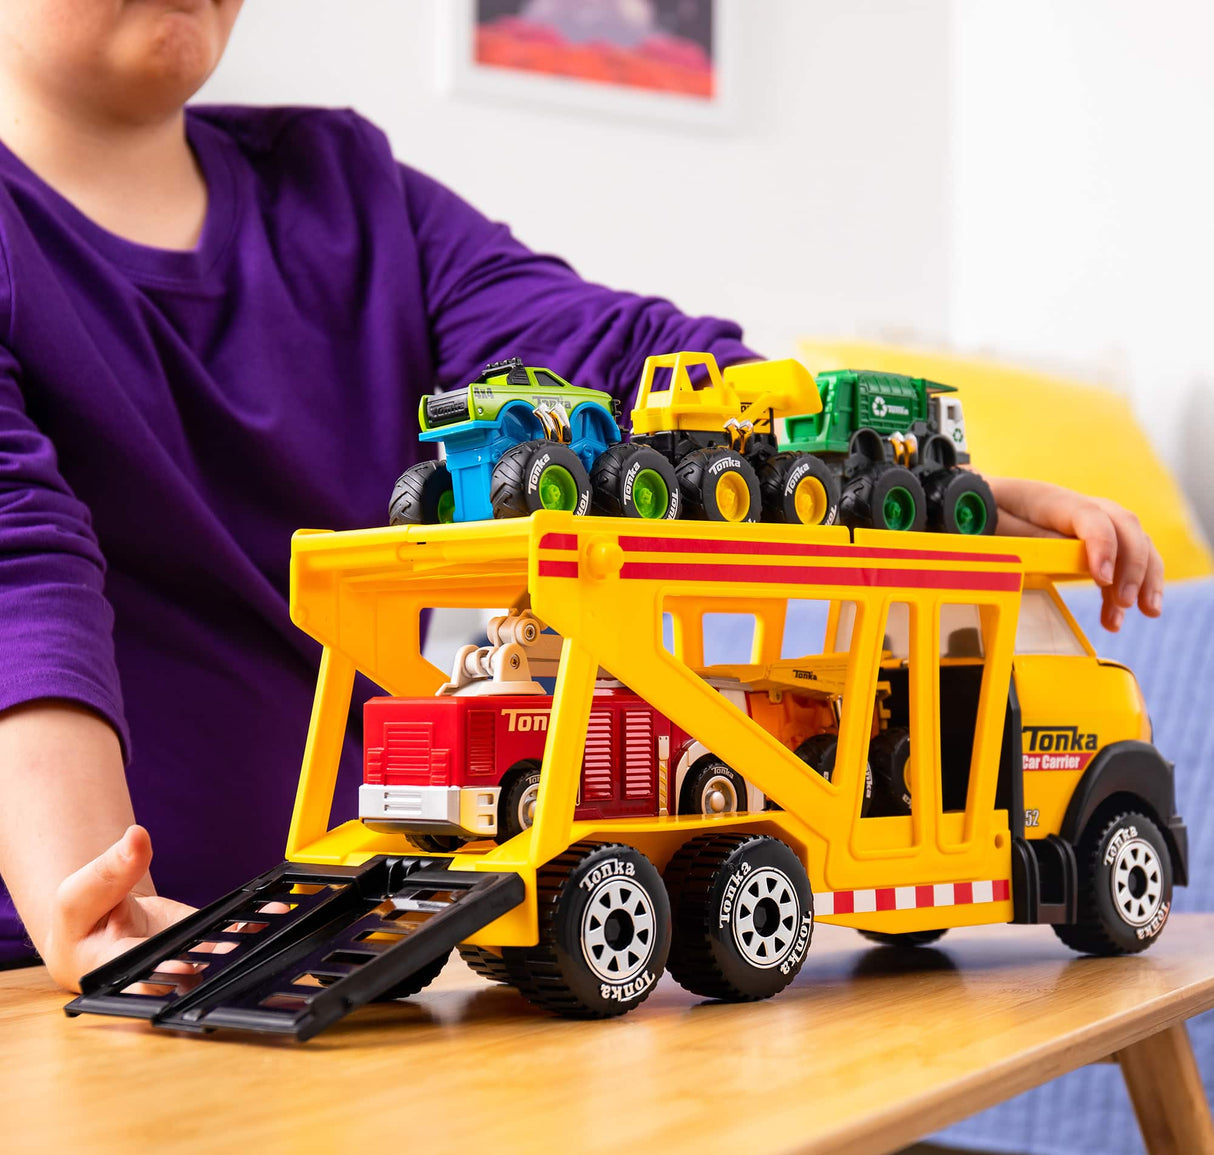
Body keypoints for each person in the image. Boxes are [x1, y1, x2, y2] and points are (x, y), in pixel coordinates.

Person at [0, 0, 1164, 991]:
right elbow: (20, 566)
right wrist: (88, 893)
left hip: (373, 932)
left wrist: (898, 483)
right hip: (75, 956)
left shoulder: (346, 188)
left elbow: (607, 348)